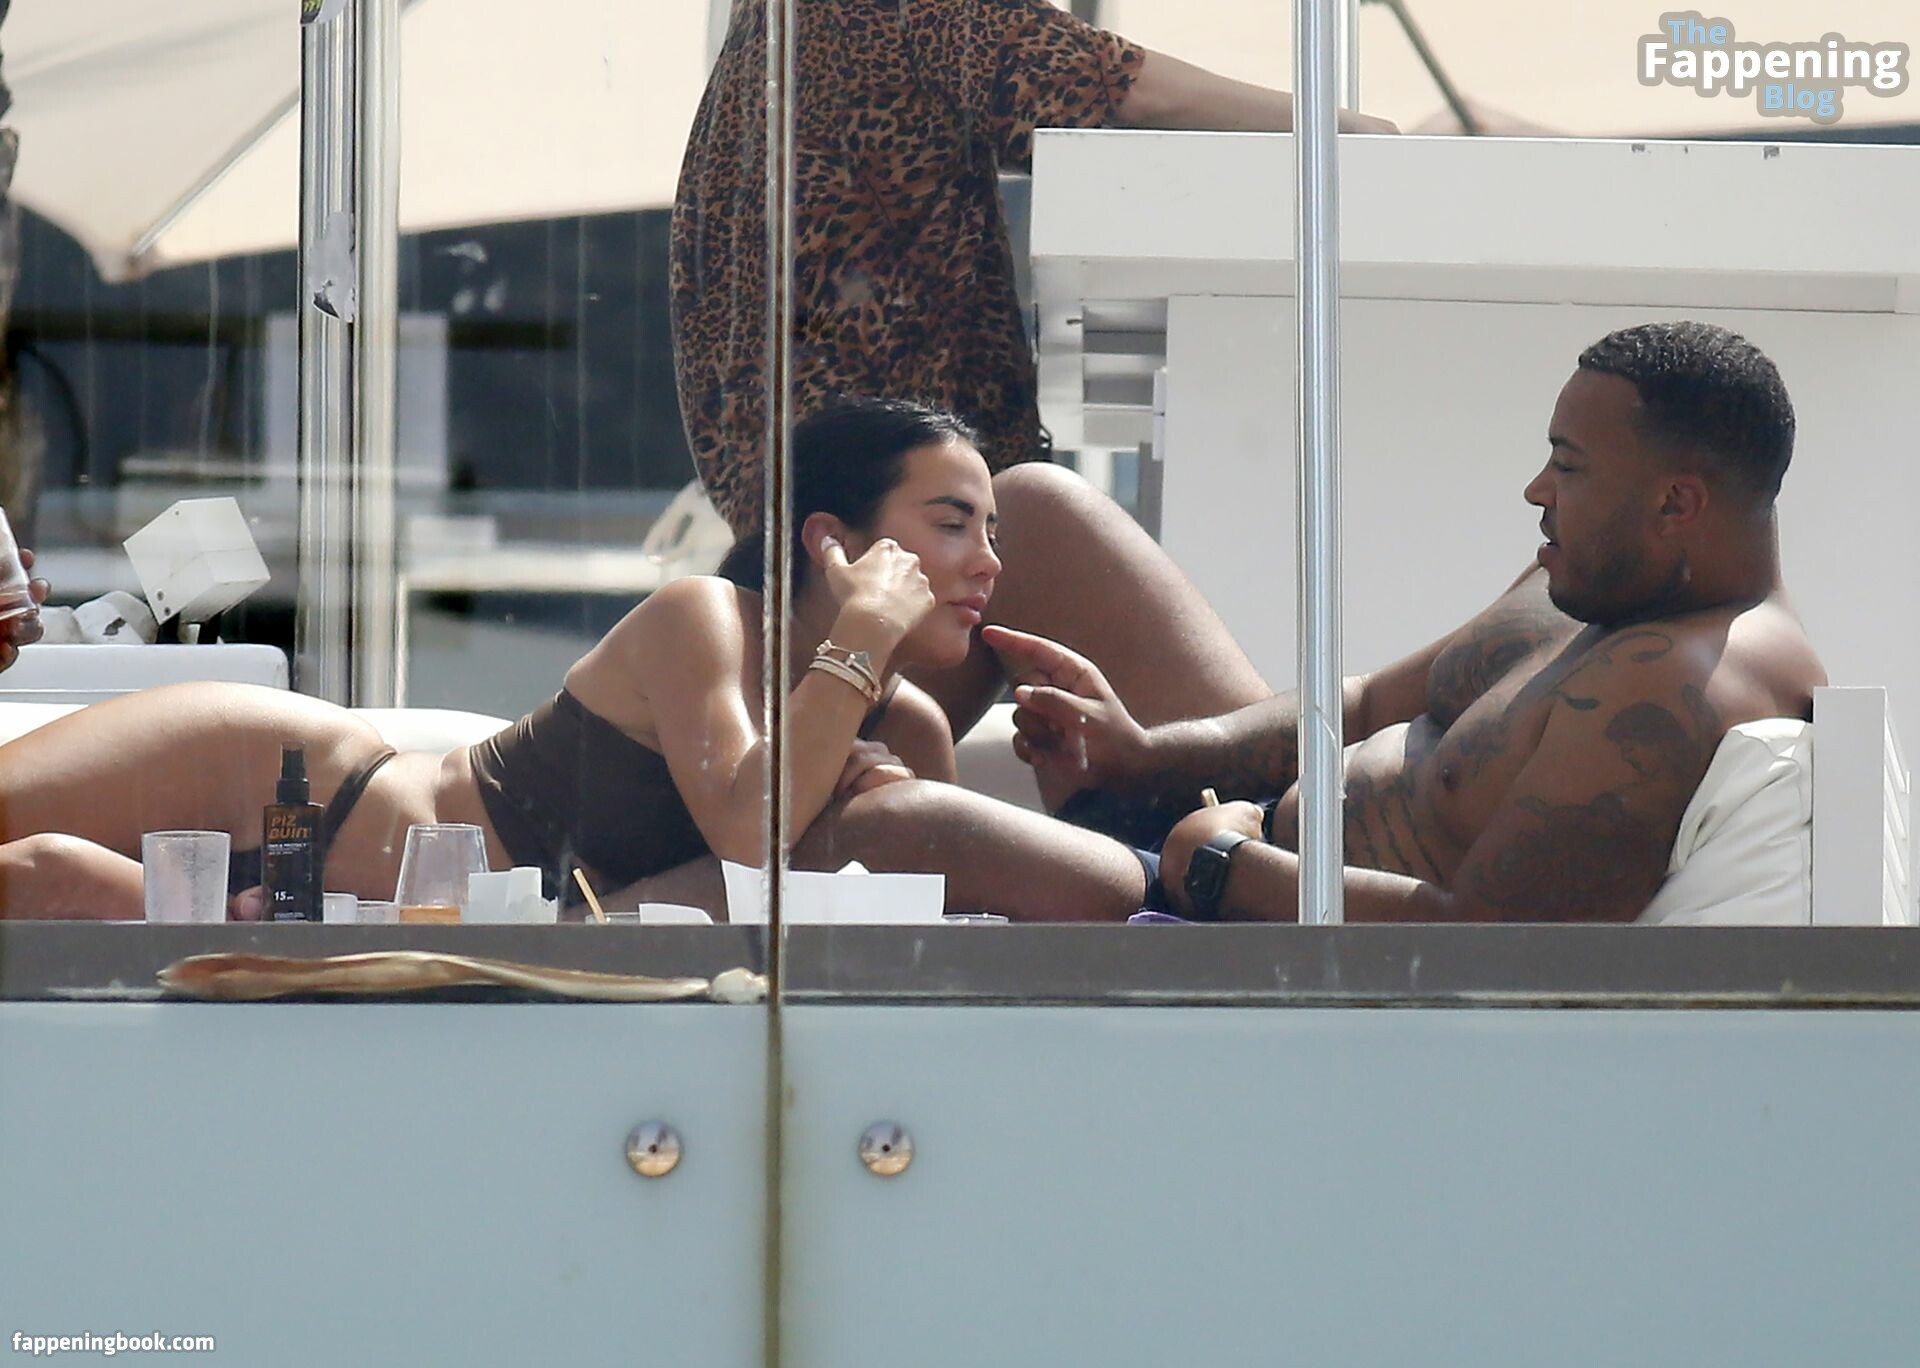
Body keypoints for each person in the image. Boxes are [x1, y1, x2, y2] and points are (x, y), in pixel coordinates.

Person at [941, 320, 1826, 922]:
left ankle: (864, 747)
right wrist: (1145, 755)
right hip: (1239, 831)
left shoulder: (1678, 686)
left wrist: (1219, 867)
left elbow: (1490, 950)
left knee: (906, 825)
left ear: (1675, 503)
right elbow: (1366, 705)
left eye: (1569, 467)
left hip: (1237, 912)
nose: (1537, 490)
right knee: (1036, 513)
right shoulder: (1595, 584)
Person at [0, 401, 1008, 919]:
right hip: (286, 779)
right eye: (953, 523)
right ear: (832, 542)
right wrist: (860, 637)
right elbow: (748, 830)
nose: (987, 561)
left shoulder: (909, 731)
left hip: (366, 930)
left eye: (993, 531)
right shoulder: (704, 618)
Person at [671, 0, 1396, 538]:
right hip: (884, 480)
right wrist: (1344, 126)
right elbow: (1109, 87)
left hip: (823, 478)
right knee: (1069, 531)